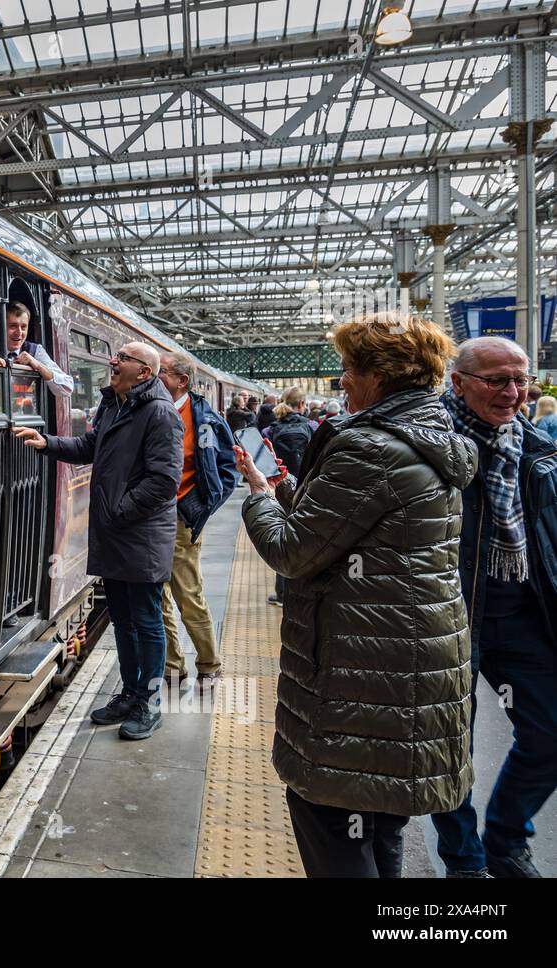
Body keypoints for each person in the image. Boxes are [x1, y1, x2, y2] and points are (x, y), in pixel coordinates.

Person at [236, 312, 475, 878]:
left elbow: (293, 551)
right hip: (403, 664)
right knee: (374, 822)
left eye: (348, 369)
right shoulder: (429, 435)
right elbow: (354, 525)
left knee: (332, 824)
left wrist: (257, 495)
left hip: (361, 672)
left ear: (379, 375)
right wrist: (287, 487)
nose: (341, 380)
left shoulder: (370, 446)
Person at [431, 336, 557, 879]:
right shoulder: (427, 446)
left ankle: (506, 836)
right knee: (448, 749)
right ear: (457, 383)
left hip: (525, 613)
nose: (513, 392)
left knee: (551, 731)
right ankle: (465, 862)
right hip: (449, 618)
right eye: (497, 380)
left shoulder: (535, 449)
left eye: (521, 380)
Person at [15, 342, 182, 741]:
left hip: (139, 535)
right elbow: (92, 447)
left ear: (143, 372)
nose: (113, 360)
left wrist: (119, 510)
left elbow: (164, 481)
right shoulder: (115, 404)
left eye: (122, 358)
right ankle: (129, 694)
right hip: (116, 533)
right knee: (122, 620)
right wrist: (48, 443)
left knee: (146, 621)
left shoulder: (158, 413)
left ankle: (149, 703)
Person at [157, 352, 237, 688]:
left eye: (161, 372)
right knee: (157, 598)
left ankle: (209, 664)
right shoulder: (150, 409)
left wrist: (199, 510)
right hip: (148, 520)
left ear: (181, 381)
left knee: (188, 595)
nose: (155, 377)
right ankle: (172, 666)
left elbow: (227, 472)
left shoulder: (205, 419)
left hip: (181, 519)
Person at [262, 386, 315, 607]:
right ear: (302, 405)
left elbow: (264, 463)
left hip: (279, 489)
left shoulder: (269, 431)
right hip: (306, 490)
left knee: (281, 539)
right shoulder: (312, 427)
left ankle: (282, 594)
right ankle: (304, 591)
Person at [0, 301, 74, 398]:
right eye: (13, 326)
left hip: (21, 415)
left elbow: (67, 388)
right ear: (1, 326)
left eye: (23, 327)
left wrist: (37, 365)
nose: (19, 332)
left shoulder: (35, 350)